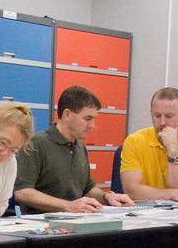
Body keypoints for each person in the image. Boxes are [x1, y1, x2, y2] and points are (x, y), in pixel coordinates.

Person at [14, 85, 134, 213]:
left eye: (94, 119)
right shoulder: (37, 144)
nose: (92, 126)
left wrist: (107, 197)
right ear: (67, 115)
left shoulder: (80, 146)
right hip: (42, 223)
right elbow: (22, 192)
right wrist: (68, 205)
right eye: (87, 119)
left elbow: (88, 189)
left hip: (75, 220)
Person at [119, 86, 178, 202]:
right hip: (142, 212)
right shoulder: (134, 141)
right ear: (151, 112)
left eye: (169, 116)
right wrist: (175, 194)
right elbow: (131, 191)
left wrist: (173, 149)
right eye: (157, 116)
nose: (162, 122)